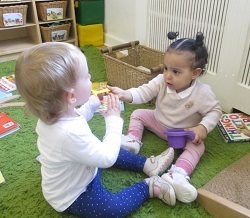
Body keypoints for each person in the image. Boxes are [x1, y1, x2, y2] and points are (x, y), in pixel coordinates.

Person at [14, 42, 178, 218]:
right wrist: (113, 120)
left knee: (103, 146)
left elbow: (79, 116)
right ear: (71, 96)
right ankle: (150, 186)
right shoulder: (67, 133)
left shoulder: (55, 114)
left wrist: (92, 104)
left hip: (84, 167)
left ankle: (147, 165)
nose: (91, 77)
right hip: (74, 195)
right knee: (111, 210)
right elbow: (107, 158)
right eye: (86, 77)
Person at [108, 32, 222, 204]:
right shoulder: (161, 80)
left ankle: (177, 174)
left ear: (195, 73)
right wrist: (126, 94)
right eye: (166, 68)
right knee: (138, 114)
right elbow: (144, 91)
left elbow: (215, 111)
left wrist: (203, 127)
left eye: (176, 71)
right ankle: (133, 141)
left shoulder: (203, 93)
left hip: (182, 133)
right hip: (158, 121)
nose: (168, 75)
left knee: (198, 147)